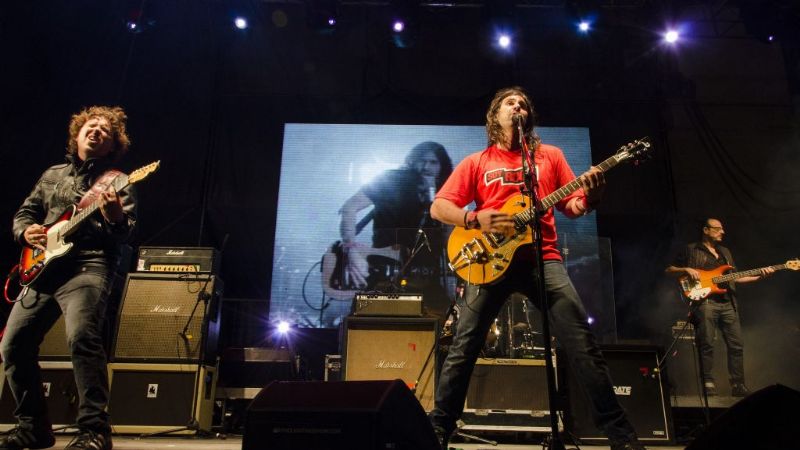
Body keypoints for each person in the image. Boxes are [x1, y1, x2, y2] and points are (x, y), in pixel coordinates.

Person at [428, 86, 645, 450]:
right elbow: (439, 207)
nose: (518, 106)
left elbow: (572, 206)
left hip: (543, 258)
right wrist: (474, 218)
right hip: (489, 262)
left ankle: (621, 437)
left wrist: (592, 195)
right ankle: (437, 430)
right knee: (464, 346)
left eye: (523, 104)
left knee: (582, 344)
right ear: (495, 116)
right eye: (510, 102)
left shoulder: (550, 157)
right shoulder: (477, 162)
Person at [1, 106, 137, 450]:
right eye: (92, 125)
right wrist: (24, 232)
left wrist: (115, 217)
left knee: (81, 337)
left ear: (112, 146)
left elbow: (124, 233)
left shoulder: (117, 181)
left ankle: (94, 431)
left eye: (106, 131)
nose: (97, 130)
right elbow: (25, 213)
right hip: (44, 268)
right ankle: (33, 428)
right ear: (77, 134)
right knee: (12, 345)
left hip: (89, 264)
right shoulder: (52, 175)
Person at [337, 141, 453, 317]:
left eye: (433, 162)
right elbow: (349, 207)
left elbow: (448, 239)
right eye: (422, 160)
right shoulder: (391, 179)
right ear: (412, 161)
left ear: (442, 166)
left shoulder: (446, 190)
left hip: (427, 277)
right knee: (374, 321)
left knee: (437, 324)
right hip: (385, 272)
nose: (426, 167)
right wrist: (351, 249)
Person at [665, 218, 773, 397]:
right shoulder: (690, 249)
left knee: (736, 345)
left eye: (722, 229)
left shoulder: (725, 252)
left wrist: (760, 276)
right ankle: (708, 383)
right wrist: (686, 269)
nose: (722, 232)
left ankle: (738, 384)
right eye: (718, 229)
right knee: (706, 343)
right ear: (706, 230)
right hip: (706, 303)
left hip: (728, 303)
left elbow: (735, 277)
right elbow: (669, 270)